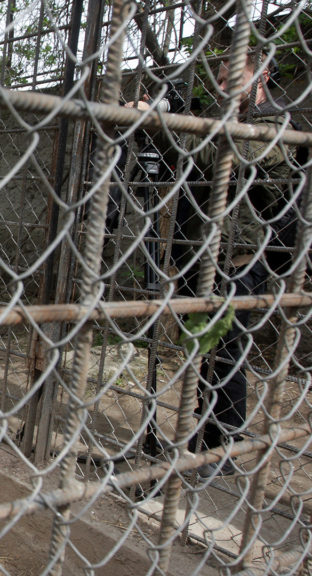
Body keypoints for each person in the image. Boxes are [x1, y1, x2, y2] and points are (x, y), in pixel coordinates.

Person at [130, 53, 306, 478]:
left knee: (227, 352)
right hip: (203, 255)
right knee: (207, 351)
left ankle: (225, 442)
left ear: (261, 75)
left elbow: (219, 155)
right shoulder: (222, 122)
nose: (223, 87)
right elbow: (189, 154)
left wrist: (167, 122)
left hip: (239, 260)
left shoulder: (275, 124)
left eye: (234, 79)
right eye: (220, 79)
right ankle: (208, 435)